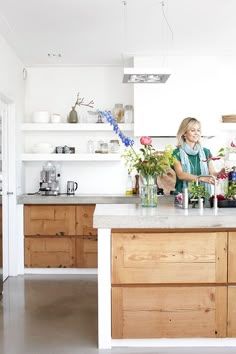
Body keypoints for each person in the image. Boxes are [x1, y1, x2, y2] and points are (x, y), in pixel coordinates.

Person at [172, 117, 225, 195]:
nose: (196, 133)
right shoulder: (176, 153)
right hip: (183, 198)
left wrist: (221, 172)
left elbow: (212, 173)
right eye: (193, 130)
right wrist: (202, 178)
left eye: (198, 130)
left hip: (204, 196)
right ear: (184, 133)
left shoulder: (206, 152)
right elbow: (181, 175)